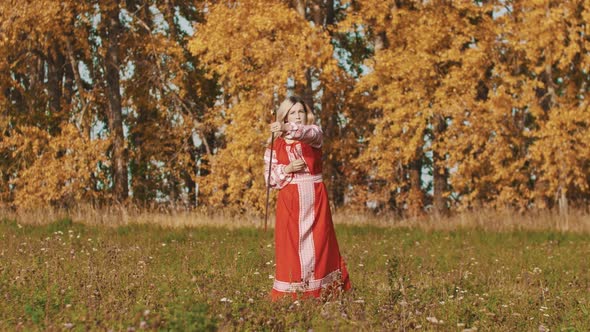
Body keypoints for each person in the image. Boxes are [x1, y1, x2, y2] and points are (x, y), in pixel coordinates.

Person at [264, 95, 351, 301]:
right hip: (289, 200)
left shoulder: (314, 134)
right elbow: (270, 180)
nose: (297, 116)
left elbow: (307, 133)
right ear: (284, 116)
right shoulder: (274, 146)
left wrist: (286, 128)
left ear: (306, 114)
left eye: (300, 112)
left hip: (315, 199)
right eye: (292, 113)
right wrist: (287, 168)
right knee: (291, 246)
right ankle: (292, 296)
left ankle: (322, 293)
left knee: (320, 243)